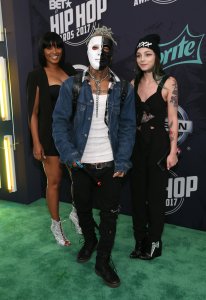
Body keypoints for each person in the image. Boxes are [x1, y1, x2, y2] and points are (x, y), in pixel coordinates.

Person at [52, 26, 136, 287]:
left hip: (111, 164)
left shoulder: (123, 90)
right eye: (96, 47)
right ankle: (90, 241)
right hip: (80, 163)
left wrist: (122, 161)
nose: (101, 53)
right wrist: (69, 154)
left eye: (106, 48)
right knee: (83, 209)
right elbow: (58, 123)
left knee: (110, 214)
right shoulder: (72, 85)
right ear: (87, 50)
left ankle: (103, 261)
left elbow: (127, 127)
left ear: (113, 53)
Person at [27, 32, 81, 247]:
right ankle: (56, 224)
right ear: (42, 51)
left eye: (57, 47)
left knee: (80, 180)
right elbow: (33, 113)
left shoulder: (69, 71)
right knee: (55, 182)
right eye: (49, 47)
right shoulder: (37, 75)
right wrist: (36, 143)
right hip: (49, 137)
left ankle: (77, 215)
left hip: (72, 135)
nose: (54, 51)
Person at [129, 34, 178, 260]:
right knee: (137, 196)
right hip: (136, 148)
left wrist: (173, 149)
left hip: (158, 146)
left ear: (156, 56)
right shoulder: (132, 84)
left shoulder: (169, 82)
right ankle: (140, 240)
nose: (142, 59)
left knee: (155, 196)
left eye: (147, 54)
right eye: (139, 55)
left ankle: (155, 242)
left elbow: (173, 119)